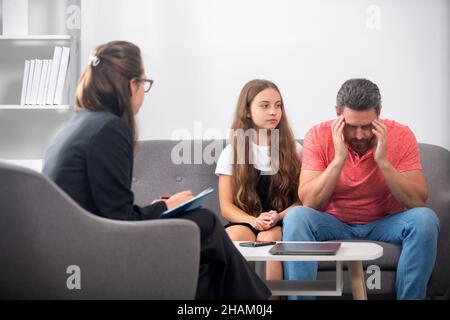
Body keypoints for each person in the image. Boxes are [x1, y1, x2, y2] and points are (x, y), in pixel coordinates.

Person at [42, 41, 270, 300]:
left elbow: (108, 211)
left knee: (203, 261)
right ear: (132, 85)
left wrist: (158, 207)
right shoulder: (110, 129)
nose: (143, 93)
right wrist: (165, 207)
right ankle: (257, 301)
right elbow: (119, 220)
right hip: (96, 247)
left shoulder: (76, 125)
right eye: (144, 84)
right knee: (204, 223)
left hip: (74, 244)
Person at [282, 78, 440, 300]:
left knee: (425, 219)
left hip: (385, 222)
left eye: (367, 126)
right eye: (351, 126)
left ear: (379, 113)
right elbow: (310, 201)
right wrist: (338, 159)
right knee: (297, 217)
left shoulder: (401, 135)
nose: (359, 135)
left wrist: (383, 161)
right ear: (338, 114)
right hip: (332, 223)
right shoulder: (318, 135)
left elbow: (416, 201)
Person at [216, 79, 301, 286]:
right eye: (265, 106)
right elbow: (226, 208)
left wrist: (277, 217)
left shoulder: (295, 150)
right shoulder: (231, 153)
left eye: (278, 105)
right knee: (232, 236)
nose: (273, 112)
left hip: (280, 222)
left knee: (266, 242)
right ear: (247, 111)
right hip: (246, 220)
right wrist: (253, 221)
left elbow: (303, 201)